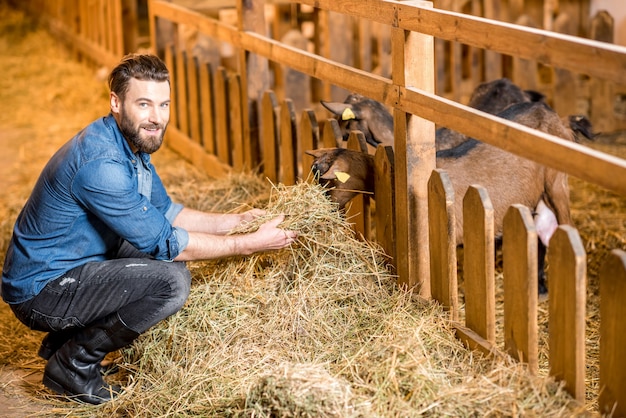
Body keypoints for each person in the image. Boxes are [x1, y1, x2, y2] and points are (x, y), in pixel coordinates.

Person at [1, 53, 298, 405]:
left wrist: (238, 222)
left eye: (164, 104)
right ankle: (74, 364)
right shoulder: (102, 164)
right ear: (116, 102)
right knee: (171, 283)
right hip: (43, 290)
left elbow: (167, 213)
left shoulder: (131, 146)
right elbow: (167, 243)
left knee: (158, 263)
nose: (157, 118)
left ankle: (67, 342)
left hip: (76, 266)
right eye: (144, 104)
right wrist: (250, 245)